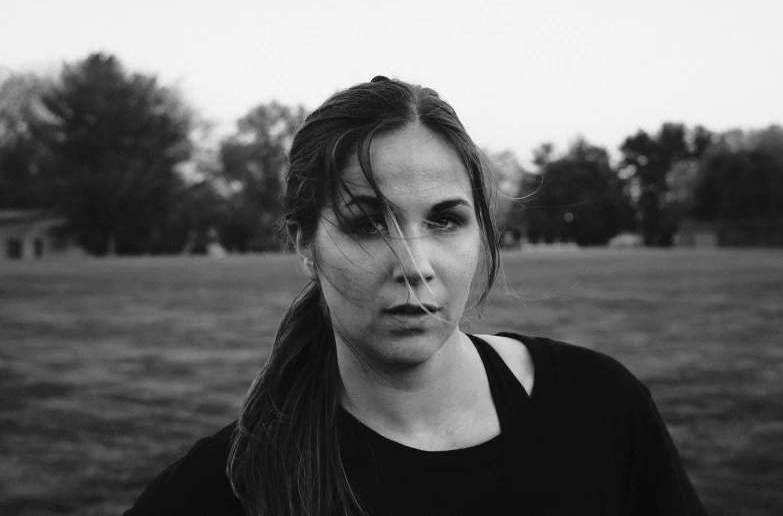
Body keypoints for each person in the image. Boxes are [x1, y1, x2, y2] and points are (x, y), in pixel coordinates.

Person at [124, 77, 706, 516]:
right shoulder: (234, 484)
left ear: (482, 233)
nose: (415, 264)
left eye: (446, 220)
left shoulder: (601, 409)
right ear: (306, 243)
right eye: (368, 222)